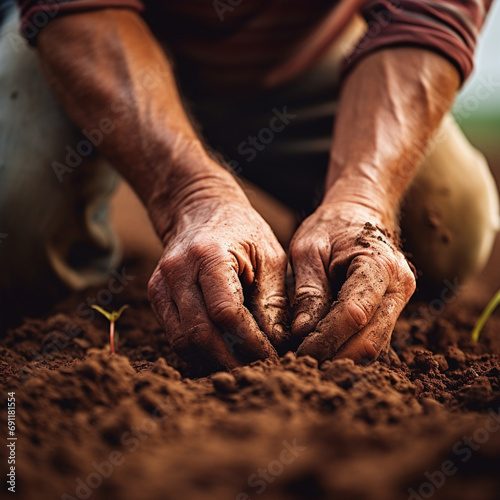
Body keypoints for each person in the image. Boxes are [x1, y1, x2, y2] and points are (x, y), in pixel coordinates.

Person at [0, 0, 498, 370]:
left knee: (450, 228)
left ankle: (301, 244)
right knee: (14, 223)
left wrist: (363, 196)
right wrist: (189, 196)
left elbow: (429, 13)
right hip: (111, 42)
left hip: (308, 54)